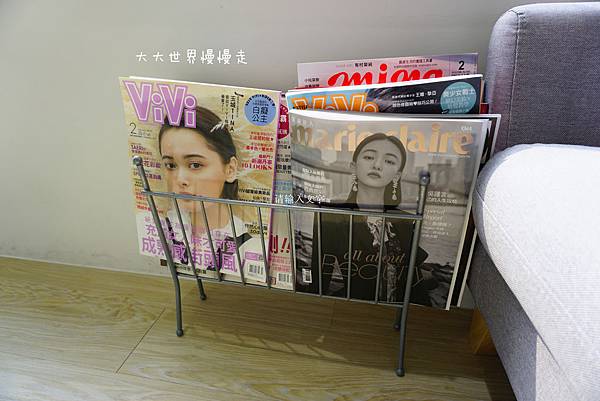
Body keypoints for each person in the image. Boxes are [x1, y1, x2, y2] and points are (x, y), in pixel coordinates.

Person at [311, 133, 430, 303]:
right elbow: (320, 278)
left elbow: (415, 281)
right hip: (356, 308)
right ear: (353, 167)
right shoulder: (331, 216)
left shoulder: (406, 221)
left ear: (397, 176)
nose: (377, 165)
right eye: (369, 157)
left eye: (389, 161)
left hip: (401, 310)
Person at [157, 106, 264, 280]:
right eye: (170, 165)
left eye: (195, 165)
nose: (180, 179)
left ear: (230, 169)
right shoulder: (162, 228)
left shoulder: (250, 246)